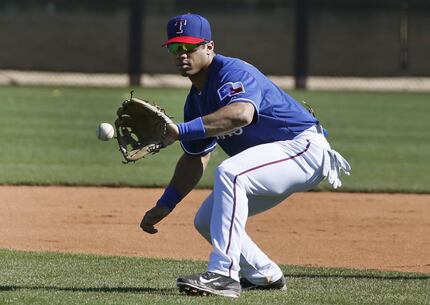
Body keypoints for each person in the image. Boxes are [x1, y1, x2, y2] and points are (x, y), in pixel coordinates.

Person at [139, 13, 351, 298]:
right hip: (278, 161)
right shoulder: (195, 102)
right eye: (175, 48)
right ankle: (264, 274)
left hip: (303, 148)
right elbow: (196, 157)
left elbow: (241, 114)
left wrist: (179, 130)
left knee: (232, 172)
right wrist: (166, 203)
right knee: (206, 219)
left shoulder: (234, 71)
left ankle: (224, 275)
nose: (182, 54)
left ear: (209, 47)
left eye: (189, 46)